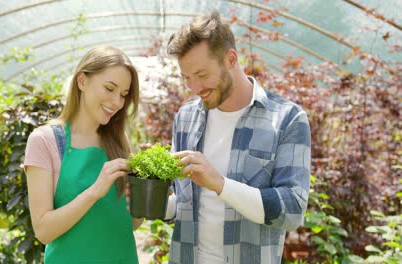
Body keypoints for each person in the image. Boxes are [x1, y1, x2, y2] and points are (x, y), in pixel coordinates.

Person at [165, 11, 311, 264]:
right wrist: (145, 198)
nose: (195, 88)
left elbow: (292, 211)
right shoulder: (186, 118)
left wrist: (219, 183)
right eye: (187, 78)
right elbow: (182, 205)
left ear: (230, 59)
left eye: (201, 75)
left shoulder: (287, 119)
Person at [24, 46, 143, 263]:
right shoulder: (45, 141)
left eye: (124, 95)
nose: (117, 102)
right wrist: (94, 192)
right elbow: (43, 231)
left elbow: (131, 223)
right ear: (82, 81)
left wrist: (148, 190)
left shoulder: (118, 140)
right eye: (109, 88)